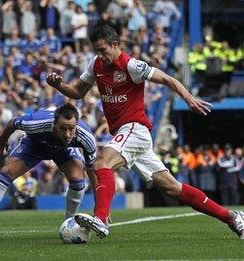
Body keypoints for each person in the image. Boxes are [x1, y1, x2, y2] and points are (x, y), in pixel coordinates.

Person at [45, 25, 244, 239]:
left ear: (115, 45)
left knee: (101, 162)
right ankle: (232, 217)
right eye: (96, 50)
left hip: (135, 128)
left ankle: (101, 219)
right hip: (127, 135)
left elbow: (168, 79)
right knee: (173, 188)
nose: (100, 55)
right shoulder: (96, 64)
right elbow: (77, 92)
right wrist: (59, 85)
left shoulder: (131, 65)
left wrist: (189, 100)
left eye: (103, 49)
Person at [0, 103, 97, 238]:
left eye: (71, 129)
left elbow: (92, 169)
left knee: (78, 181)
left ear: (77, 125)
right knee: (6, 173)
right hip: (35, 145)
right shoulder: (36, 122)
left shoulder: (86, 136)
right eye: (63, 128)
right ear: (54, 123)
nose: (68, 134)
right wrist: (2, 140)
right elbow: (13, 122)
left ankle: (69, 225)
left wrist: (99, 205)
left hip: (64, 150)